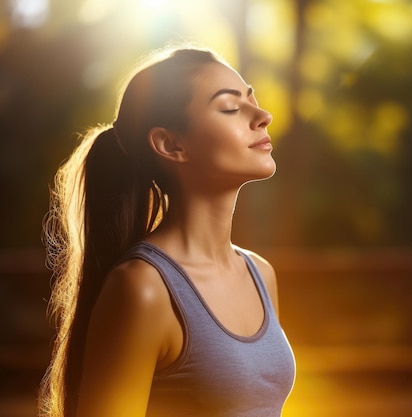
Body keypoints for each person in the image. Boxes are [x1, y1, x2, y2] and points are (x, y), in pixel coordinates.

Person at [39, 46, 296, 417]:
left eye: (252, 100)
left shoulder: (260, 274)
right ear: (170, 144)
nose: (263, 116)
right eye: (230, 107)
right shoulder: (143, 288)